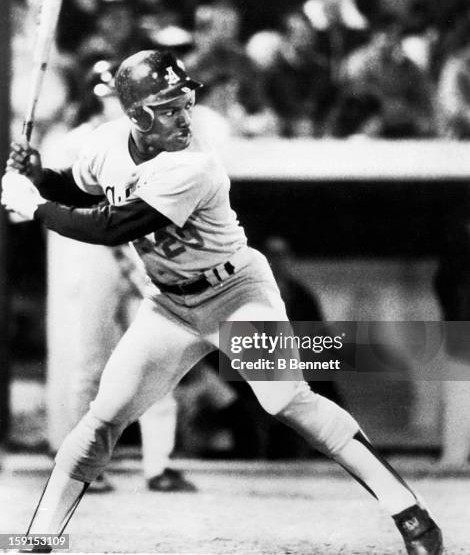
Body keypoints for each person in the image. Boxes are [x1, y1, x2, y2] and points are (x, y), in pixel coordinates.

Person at [2, 49, 442, 554]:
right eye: (169, 107)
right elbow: (81, 190)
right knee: (103, 418)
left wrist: (33, 206)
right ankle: (35, 539)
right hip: (169, 305)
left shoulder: (192, 165)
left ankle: (410, 514)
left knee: (286, 400)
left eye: (184, 102)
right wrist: (39, 176)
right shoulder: (105, 145)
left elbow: (111, 226)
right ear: (138, 115)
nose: (184, 116)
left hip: (234, 294)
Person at [43, 59, 197, 493]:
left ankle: (158, 466)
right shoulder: (74, 143)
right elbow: (54, 199)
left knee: (158, 362)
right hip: (94, 257)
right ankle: (86, 466)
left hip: (140, 252)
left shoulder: (150, 144)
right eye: (105, 96)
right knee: (91, 365)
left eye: (116, 95)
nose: (112, 104)